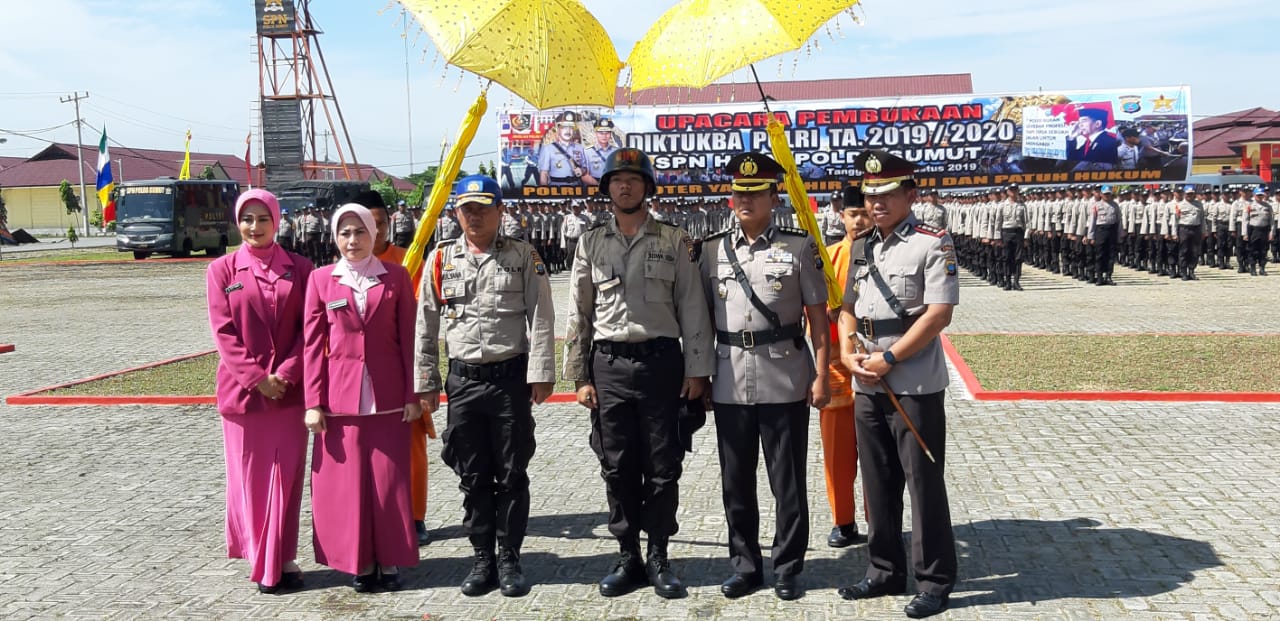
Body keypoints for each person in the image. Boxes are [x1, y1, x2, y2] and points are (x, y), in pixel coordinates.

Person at [563, 147, 715, 600]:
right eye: (616, 180)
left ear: (647, 187)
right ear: (607, 188)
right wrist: (580, 376)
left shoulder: (673, 239)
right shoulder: (590, 241)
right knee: (617, 465)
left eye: (633, 179)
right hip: (608, 366)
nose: (624, 186)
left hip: (661, 365)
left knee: (664, 465)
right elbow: (579, 312)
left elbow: (692, 307)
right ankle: (628, 554)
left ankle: (660, 555)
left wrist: (698, 370)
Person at [414, 176, 556, 598]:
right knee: (472, 475)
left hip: (509, 381)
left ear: (500, 211)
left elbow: (542, 316)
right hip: (464, 383)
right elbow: (425, 325)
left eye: (482, 207)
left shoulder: (523, 256)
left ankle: (510, 557)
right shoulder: (440, 260)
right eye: (466, 208)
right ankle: (482, 558)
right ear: (456, 213)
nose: (474, 215)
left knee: (512, 473)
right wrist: (426, 382)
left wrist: (542, 373)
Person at [699, 153, 831, 601]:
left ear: (775, 196)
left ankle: (789, 565)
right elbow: (698, 318)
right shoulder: (711, 250)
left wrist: (822, 375)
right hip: (730, 378)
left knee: (786, 480)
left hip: (785, 376)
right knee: (736, 480)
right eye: (739, 192)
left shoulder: (798, 248)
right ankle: (745, 565)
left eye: (756, 193)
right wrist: (699, 374)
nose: (746, 200)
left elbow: (818, 315)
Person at [837, 150, 958, 619]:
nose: (877, 202)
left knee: (922, 482)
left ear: (911, 194)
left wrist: (889, 357)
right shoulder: (864, 245)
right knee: (877, 480)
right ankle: (883, 569)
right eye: (870, 194)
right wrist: (849, 353)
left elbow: (938, 314)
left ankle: (934, 580)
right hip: (867, 381)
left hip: (913, 383)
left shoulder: (933, 243)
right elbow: (848, 307)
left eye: (887, 193)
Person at [303, 203, 422, 592]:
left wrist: (412, 394)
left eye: (360, 232)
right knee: (349, 486)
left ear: (375, 234)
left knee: (389, 483)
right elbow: (311, 345)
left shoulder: (397, 277)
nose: (352, 240)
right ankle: (359, 560)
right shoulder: (322, 280)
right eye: (345, 232)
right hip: (340, 400)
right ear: (334, 237)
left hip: (389, 398)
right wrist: (312, 401)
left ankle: (389, 560)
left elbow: (410, 340)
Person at [206, 189, 314, 594]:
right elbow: (223, 332)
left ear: (277, 220)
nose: (254, 227)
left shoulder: (301, 268)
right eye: (247, 219)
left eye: (262, 218)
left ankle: (284, 558)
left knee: (286, 480)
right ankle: (261, 560)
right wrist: (257, 378)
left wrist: (284, 374)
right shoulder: (222, 270)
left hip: (288, 395)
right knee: (250, 480)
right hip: (243, 397)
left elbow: (310, 329)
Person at [357, 189, 438, 547]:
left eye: (381, 224)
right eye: (367, 226)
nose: (376, 232)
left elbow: (420, 315)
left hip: (403, 367)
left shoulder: (409, 260)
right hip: (359, 375)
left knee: (412, 445)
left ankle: (416, 516)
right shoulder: (338, 267)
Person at [821, 185, 872, 550]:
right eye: (853, 214)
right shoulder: (829, 258)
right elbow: (814, 315)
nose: (860, 220)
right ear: (842, 216)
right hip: (839, 371)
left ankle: (880, 518)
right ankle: (843, 520)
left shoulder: (885, 255)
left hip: (878, 369)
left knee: (877, 454)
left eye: (865, 213)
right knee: (837, 454)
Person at [538, 111, 589, 187]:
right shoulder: (548, 148)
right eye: (564, 127)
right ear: (558, 129)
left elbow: (585, 168)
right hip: (557, 188)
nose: (568, 131)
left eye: (571, 127)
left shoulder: (580, 147)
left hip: (577, 188)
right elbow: (544, 174)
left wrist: (582, 170)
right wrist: (545, 194)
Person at [584, 118, 619, 185]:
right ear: (596, 133)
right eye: (601, 133)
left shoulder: (616, 151)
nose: (604, 136)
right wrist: (598, 186)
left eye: (607, 133)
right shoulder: (587, 152)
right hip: (594, 185)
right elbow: (585, 175)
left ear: (610, 134)